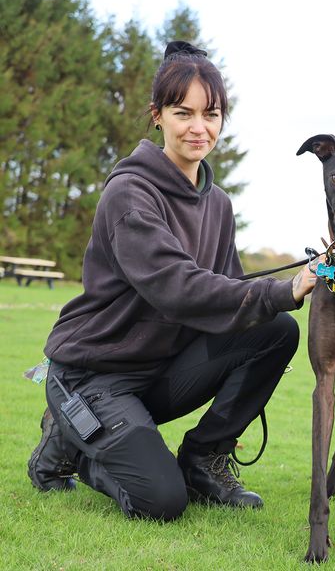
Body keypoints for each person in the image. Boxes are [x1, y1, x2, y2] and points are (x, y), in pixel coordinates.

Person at [27, 41, 317, 521]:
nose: (199, 128)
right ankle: (71, 445)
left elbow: (227, 298)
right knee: (160, 501)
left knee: (275, 332)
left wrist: (298, 292)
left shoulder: (218, 204)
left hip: (159, 370)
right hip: (94, 373)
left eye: (212, 113)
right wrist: (282, 290)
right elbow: (178, 288)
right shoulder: (129, 193)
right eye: (184, 113)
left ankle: (203, 461)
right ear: (157, 115)